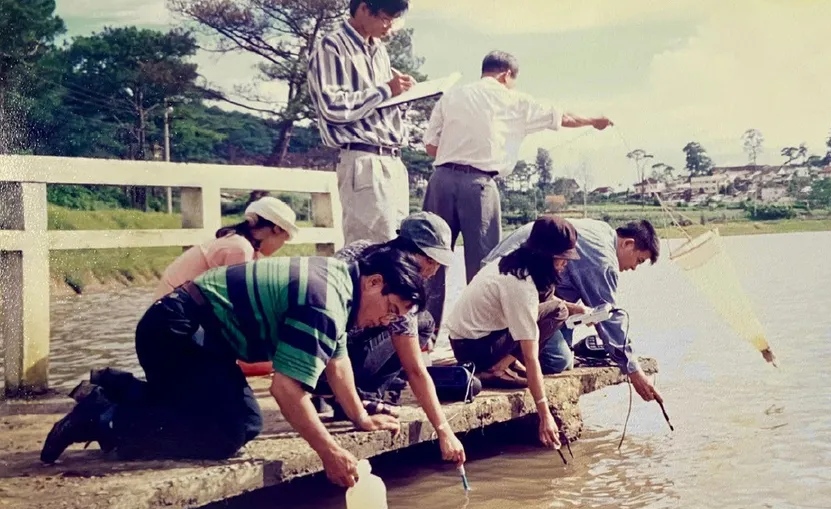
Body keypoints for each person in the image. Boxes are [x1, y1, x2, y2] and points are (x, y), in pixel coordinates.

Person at [41, 249, 426, 489]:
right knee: (235, 429)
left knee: (203, 413)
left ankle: (114, 389)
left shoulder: (339, 283)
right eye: (391, 310)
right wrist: (329, 452)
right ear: (375, 283)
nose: (386, 321)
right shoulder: (325, 300)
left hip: (187, 333)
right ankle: (105, 417)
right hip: (178, 332)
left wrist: (360, 416)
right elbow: (287, 391)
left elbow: (337, 361)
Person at [421, 50, 614, 337]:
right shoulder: (514, 99)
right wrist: (594, 121)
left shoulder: (452, 96)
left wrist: (456, 155)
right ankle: (481, 334)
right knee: (484, 265)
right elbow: (563, 117)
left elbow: (430, 145)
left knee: (430, 257)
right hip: (480, 184)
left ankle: (425, 335)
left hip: (440, 179)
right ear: (506, 75)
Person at [329, 211, 466, 465]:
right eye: (431, 262)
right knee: (421, 323)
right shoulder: (397, 290)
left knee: (421, 321)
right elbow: (415, 369)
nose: (433, 272)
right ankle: (362, 394)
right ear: (413, 254)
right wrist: (444, 430)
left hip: (318, 353)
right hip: (335, 362)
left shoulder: (361, 249)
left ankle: (359, 395)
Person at [482, 218, 664, 403]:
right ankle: (503, 357)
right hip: (505, 290)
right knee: (559, 360)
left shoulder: (602, 230)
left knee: (566, 344)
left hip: (499, 278)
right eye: (638, 260)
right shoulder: (603, 260)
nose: (634, 268)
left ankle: (544, 348)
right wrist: (634, 370)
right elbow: (609, 321)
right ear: (628, 243)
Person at [446, 216, 579, 450]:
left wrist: (582, 310)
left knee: (557, 306)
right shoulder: (520, 285)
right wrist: (544, 414)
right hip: (477, 348)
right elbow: (531, 356)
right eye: (561, 259)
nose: (564, 264)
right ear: (545, 256)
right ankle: (498, 367)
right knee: (557, 311)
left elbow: (544, 302)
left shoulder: (510, 263)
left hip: (467, 341)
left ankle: (499, 364)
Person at [307, 0, 414, 245]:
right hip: (364, 158)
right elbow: (332, 107)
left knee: (397, 246)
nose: (389, 27)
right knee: (369, 249)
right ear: (364, 9)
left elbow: (381, 107)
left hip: (393, 159)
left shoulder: (379, 51)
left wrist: (404, 95)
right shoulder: (331, 46)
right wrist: (386, 90)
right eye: (386, 18)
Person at [154, 196, 297, 299]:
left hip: (175, 307)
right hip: (174, 314)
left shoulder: (241, 245)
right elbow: (240, 299)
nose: (280, 246)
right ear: (277, 229)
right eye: (284, 240)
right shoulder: (240, 248)